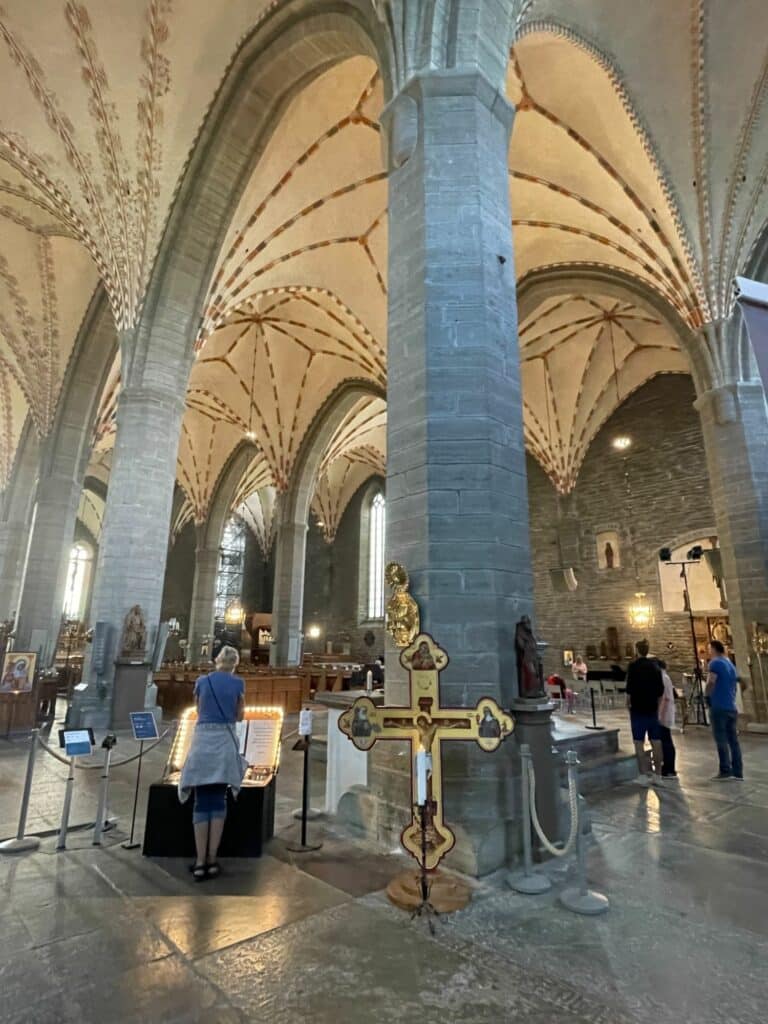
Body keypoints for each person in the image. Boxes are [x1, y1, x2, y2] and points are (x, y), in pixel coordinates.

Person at [178, 645, 246, 880]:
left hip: (203, 743)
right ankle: (212, 859)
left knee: (200, 801)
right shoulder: (238, 684)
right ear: (235, 663)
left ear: (217, 660)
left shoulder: (203, 681)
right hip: (224, 745)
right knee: (219, 799)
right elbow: (239, 715)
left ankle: (199, 861)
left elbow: (198, 710)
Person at [625, 639, 664, 784]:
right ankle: (658, 775)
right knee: (656, 741)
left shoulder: (633, 666)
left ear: (637, 650)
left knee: (638, 742)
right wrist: (658, 708)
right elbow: (661, 691)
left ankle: (642, 775)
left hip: (638, 709)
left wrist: (628, 704)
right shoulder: (655, 667)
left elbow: (629, 689)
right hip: (652, 708)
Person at [705, 639, 744, 781]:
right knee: (733, 741)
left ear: (714, 648)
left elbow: (711, 681)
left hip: (719, 706)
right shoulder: (729, 664)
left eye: (710, 649)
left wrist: (707, 695)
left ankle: (725, 769)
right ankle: (738, 771)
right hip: (731, 707)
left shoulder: (715, 663)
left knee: (721, 739)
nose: (709, 652)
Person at [655, 658, 678, 779]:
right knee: (665, 740)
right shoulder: (665, 677)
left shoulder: (663, 678)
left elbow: (665, 698)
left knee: (666, 741)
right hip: (665, 713)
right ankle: (668, 767)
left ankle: (669, 769)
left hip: (664, 714)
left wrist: (659, 714)